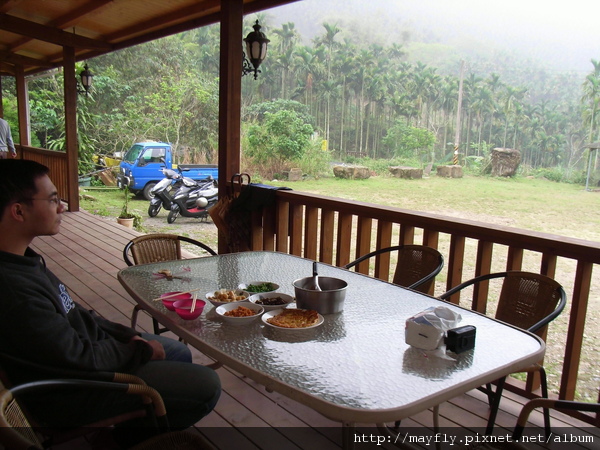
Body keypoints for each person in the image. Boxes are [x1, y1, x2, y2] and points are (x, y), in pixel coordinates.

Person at [0, 159, 221, 434]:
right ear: (19, 211)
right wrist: (137, 350)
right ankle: (135, 437)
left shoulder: (25, 260)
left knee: (176, 351)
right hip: (74, 390)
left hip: (85, 358)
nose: (63, 207)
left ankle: (155, 421)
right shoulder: (13, 290)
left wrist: (127, 336)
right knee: (207, 384)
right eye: (53, 199)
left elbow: (75, 313)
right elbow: (76, 356)